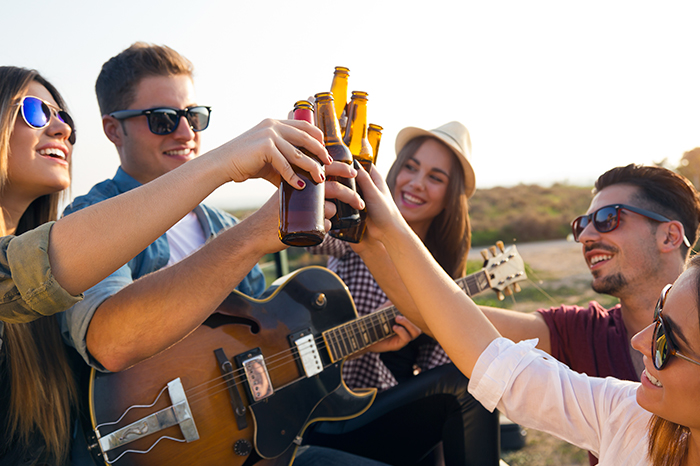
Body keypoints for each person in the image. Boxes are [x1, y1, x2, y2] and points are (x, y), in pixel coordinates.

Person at [58, 43, 384, 466]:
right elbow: (110, 342)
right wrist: (253, 234)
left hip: (254, 449)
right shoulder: (90, 216)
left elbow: (270, 345)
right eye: (163, 120)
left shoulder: (223, 224)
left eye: (194, 117)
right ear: (112, 129)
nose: (185, 133)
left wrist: (348, 340)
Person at [356, 162, 700, 466]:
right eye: (582, 224)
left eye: (608, 219)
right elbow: (466, 338)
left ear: (670, 235)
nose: (585, 236)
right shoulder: (619, 404)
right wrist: (370, 237)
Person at [305, 122, 500, 466]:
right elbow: (315, 233)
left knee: (471, 383)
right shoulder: (356, 228)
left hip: (382, 414)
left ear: (449, 199)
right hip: (322, 407)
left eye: (436, 177)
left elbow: (442, 377)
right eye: (411, 167)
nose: (416, 183)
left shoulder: (444, 275)